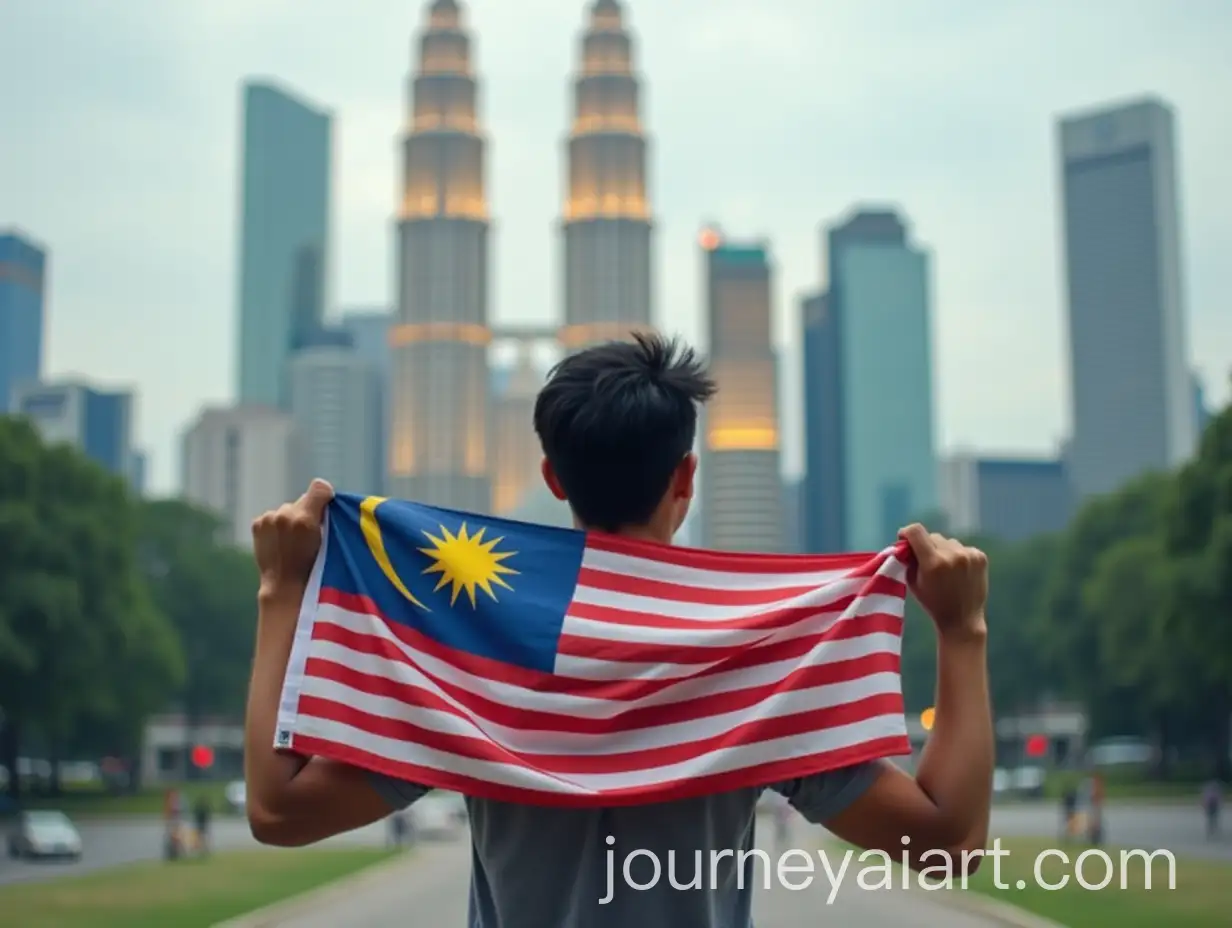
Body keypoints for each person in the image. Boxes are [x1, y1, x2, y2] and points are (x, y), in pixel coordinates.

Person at [243, 335, 994, 927]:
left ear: (552, 477)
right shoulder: (754, 657)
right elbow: (948, 844)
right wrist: (962, 631)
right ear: (686, 477)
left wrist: (281, 591)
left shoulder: (471, 653)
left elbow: (279, 812)